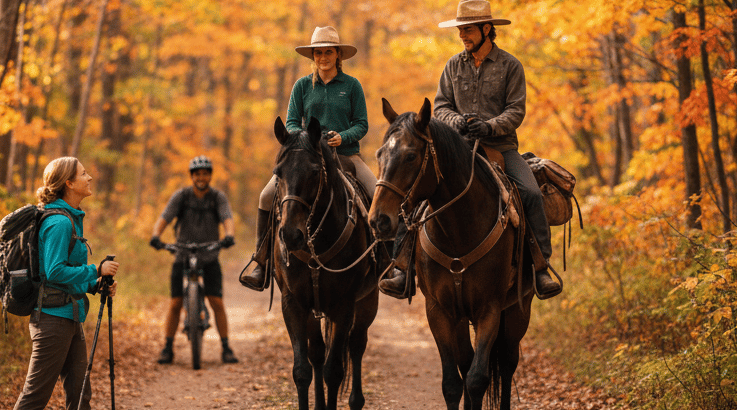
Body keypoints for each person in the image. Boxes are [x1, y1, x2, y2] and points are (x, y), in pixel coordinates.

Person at [381, 0, 562, 299]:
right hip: (459, 149)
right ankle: (402, 268)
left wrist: (490, 126)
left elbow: (516, 110)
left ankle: (541, 267)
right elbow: (441, 105)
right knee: (416, 194)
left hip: (501, 148)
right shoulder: (452, 66)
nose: (462, 35)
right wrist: (457, 122)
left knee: (529, 192)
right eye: (460, 30)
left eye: (467, 30)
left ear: (486, 29)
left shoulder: (511, 66)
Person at [240, 25, 377, 290]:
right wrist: (305, 139)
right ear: (312, 56)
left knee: (375, 194)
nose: (323, 57)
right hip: (307, 158)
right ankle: (261, 262)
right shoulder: (302, 86)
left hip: (346, 156)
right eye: (318, 53)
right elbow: (291, 122)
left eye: (328, 52)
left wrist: (343, 137)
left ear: (338, 55)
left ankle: (385, 262)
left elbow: (362, 124)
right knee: (266, 196)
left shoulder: (352, 86)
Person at [8, 157, 120, 410]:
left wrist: (95, 284)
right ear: (68, 183)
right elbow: (54, 272)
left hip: (69, 317)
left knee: (80, 394)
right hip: (52, 321)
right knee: (35, 397)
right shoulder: (59, 222)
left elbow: (66, 273)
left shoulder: (70, 218)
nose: (90, 177)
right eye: (83, 173)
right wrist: (95, 268)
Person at [149, 155, 239, 364]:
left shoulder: (217, 197)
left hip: (209, 255)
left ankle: (226, 347)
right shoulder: (181, 196)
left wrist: (229, 236)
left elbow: (227, 217)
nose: (201, 177)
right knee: (175, 303)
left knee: (216, 301)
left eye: (205, 173)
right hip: (182, 254)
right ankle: (168, 347)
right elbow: (165, 217)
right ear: (192, 176)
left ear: (210, 176)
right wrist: (156, 236)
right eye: (197, 174)